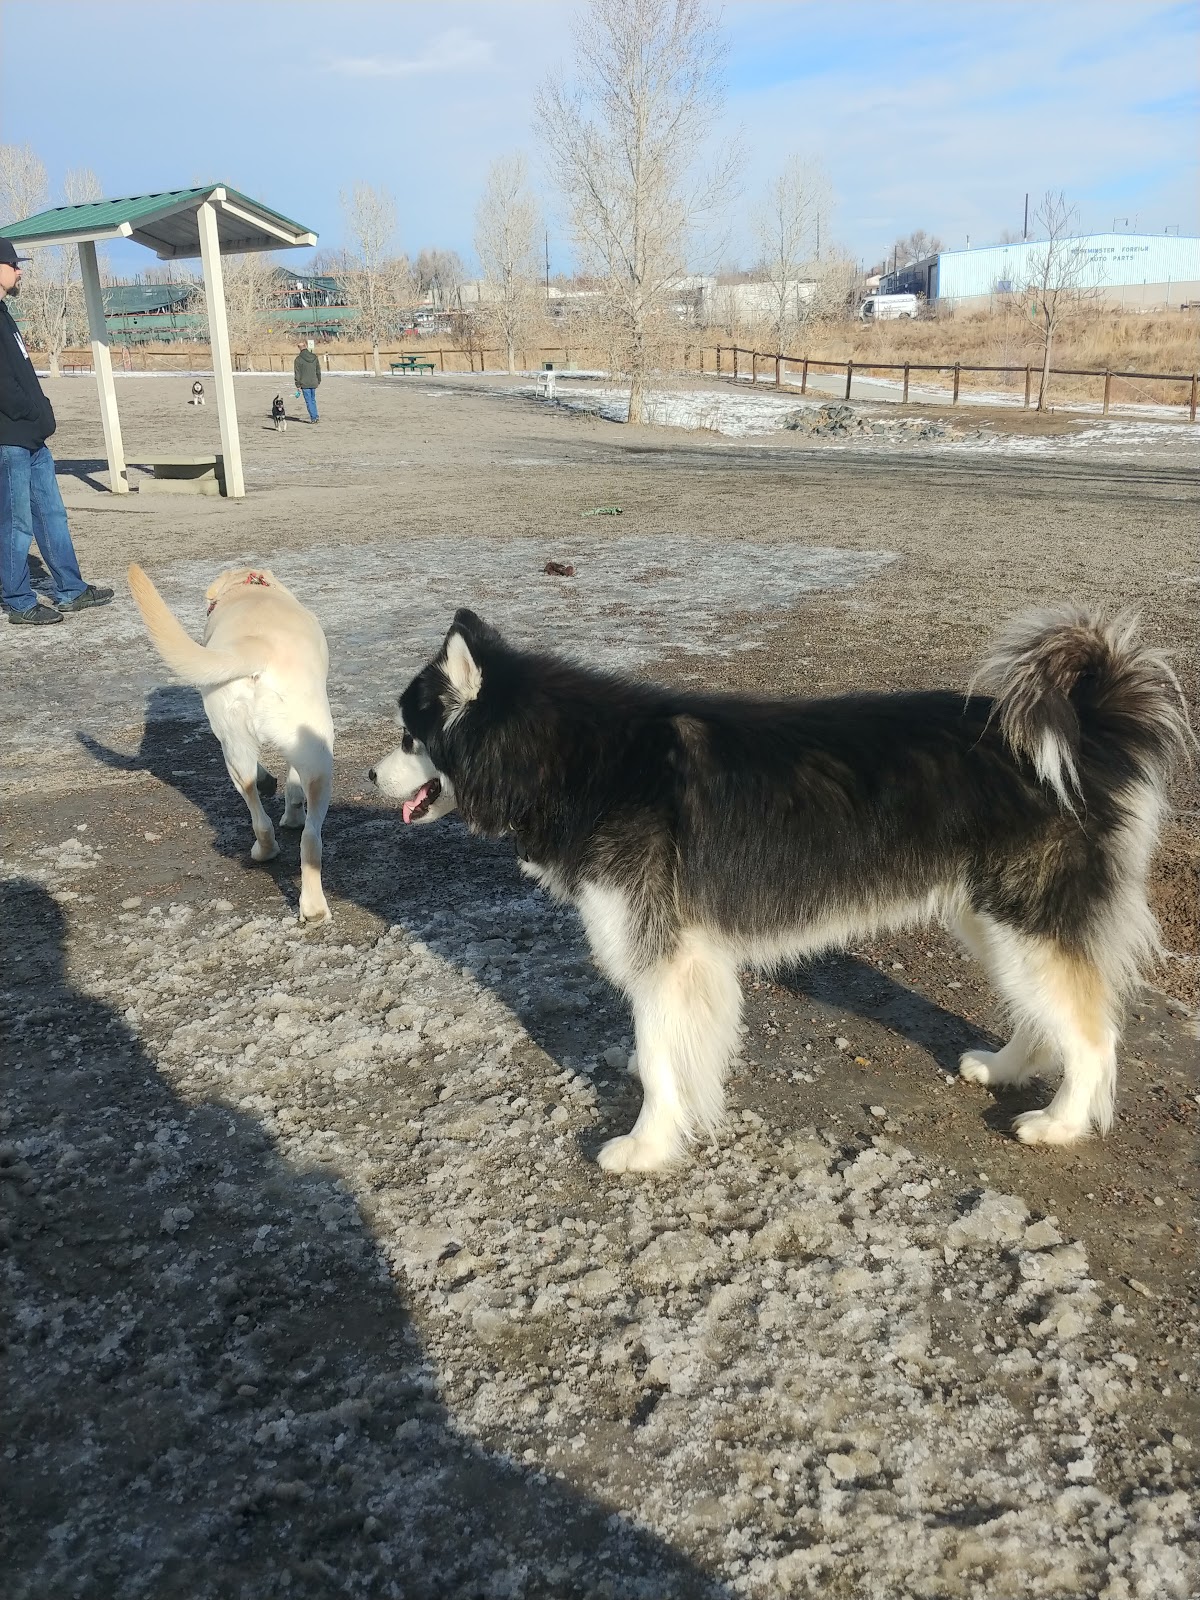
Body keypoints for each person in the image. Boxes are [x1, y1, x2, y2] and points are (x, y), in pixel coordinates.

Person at [0, 237, 113, 625]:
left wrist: (41, 412)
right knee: (15, 523)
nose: (20, 270)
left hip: (31, 437)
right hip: (9, 440)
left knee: (52, 514)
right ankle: (18, 600)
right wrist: (33, 412)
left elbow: (22, 374)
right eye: (14, 264)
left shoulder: (4, 313)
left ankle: (71, 589)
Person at [293, 339, 321, 424]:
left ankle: (313, 417)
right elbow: (318, 370)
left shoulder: (298, 359)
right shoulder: (314, 357)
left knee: (309, 401)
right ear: (306, 346)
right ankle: (315, 416)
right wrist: (318, 380)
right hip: (313, 381)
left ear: (299, 348)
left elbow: (297, 373)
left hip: (304, 383)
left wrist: (297, 384)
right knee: (313, 400)